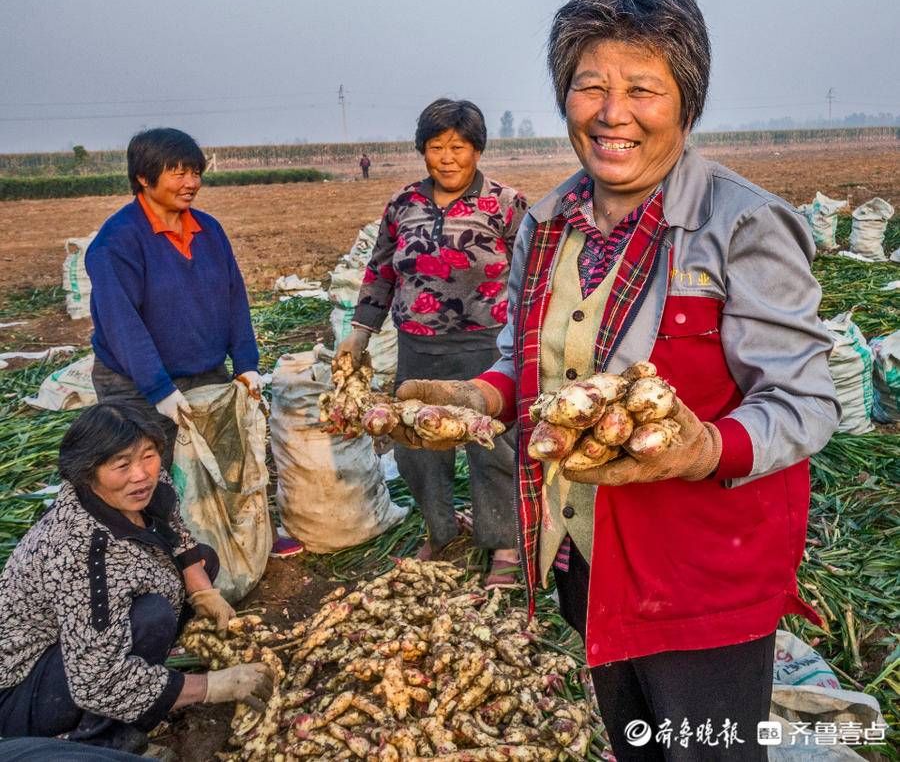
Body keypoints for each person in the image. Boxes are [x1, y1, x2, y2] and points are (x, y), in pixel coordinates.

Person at [396, 0, 840, 759]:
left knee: (707, 749)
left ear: (687, 102)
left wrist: (705, 445)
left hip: (701, 575)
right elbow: (526, 361)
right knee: (637, 742)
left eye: (644, 88)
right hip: (586, 555)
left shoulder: (741, 225)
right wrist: (482, 392)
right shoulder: (547, 221)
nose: (612, 113)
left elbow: (805, 403)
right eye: (589, 86)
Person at [0, 403, 274, 754]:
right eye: (122, 465)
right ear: (88, 473)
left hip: (85, 649)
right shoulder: (81, 552)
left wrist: (203, 591)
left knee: (202, 560)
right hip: (24, 690)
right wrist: (213, 687)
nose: (141, 474)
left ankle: (146, 686)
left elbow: (172, 524)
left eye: (148, 455)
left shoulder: (142, 482)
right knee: (151, 617)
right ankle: (101, 743)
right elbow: (97, 682)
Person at [338, 98, 528, 586]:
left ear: (477, 150)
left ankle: (503, 544)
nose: (447, 158)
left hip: (488, 346)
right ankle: (440, 531)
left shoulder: (505, 204)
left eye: (458, 147)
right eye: (436, 147)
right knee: (418, 446)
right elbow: (380, 272)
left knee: (494, 446)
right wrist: (357, 337)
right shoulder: (404, 204)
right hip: (419, 347)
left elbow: (532, 275)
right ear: (422, 150)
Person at [85, 127, 300, 557]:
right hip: (136, 383)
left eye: (195, 172)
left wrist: (246, 362)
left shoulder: (208, 230)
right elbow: (122, 324)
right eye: (177, 173)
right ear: (144, 178)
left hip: (204, 369)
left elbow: (233, 296)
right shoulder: (118, 241)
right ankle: (159, 557)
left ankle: (251, 538)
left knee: (229, 457)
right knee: (147, 473)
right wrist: (158, 389)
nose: (190, 183)